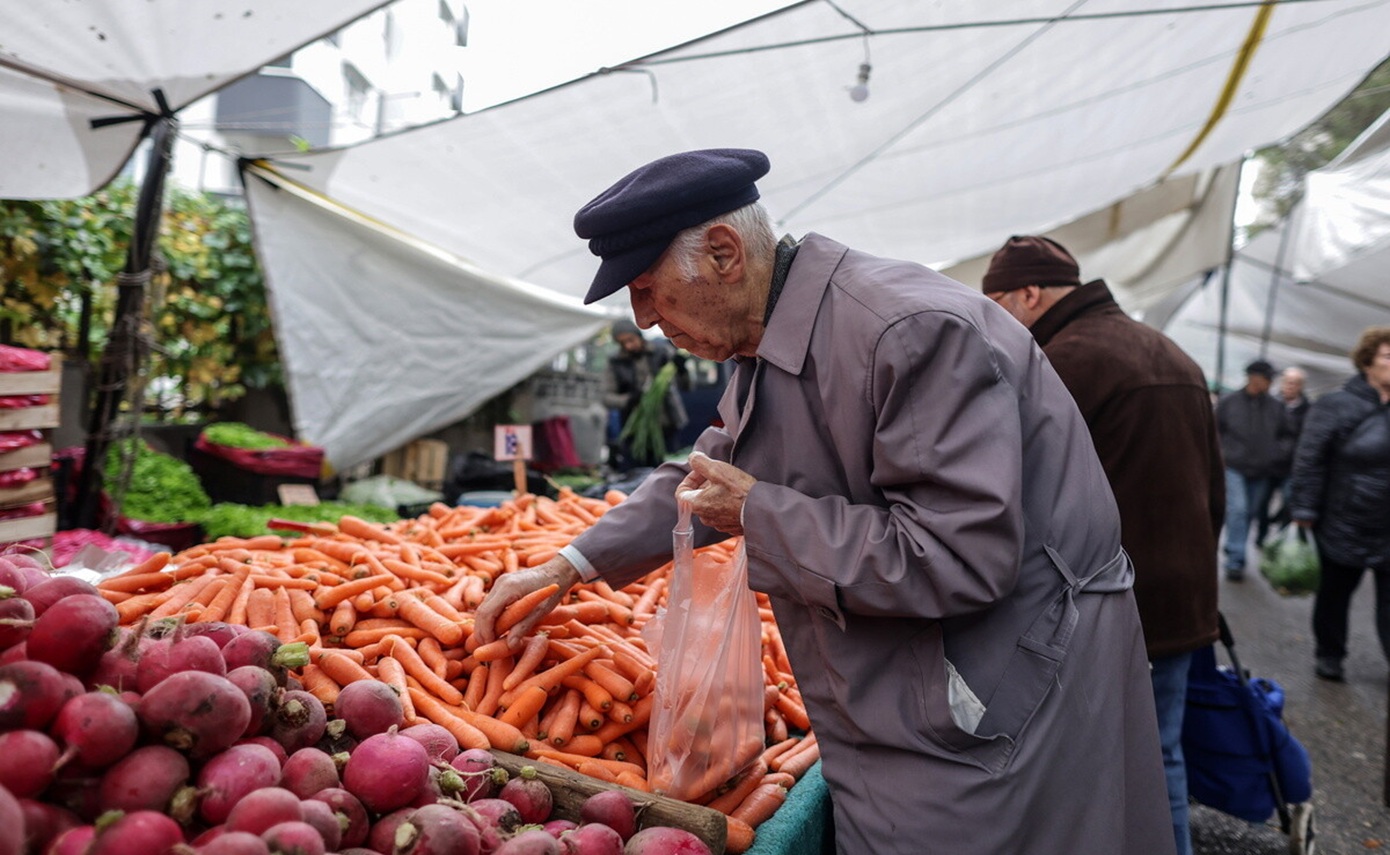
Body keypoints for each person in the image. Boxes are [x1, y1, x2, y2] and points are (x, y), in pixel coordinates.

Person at [474, 148, 1175, 854]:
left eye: (649, 288)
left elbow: (960, 555)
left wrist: (761, 512)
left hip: (994, 689)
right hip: (900, 687)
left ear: (723, 252)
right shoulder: (769, 339)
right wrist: (568, 564)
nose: (646, 320)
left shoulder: (910, 331)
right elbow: (711, 469)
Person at [981, 234, 1223, 855]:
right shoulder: (1172, 353)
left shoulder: (1061, 361)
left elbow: (1019, 495)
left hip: (1112, 606)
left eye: (998, 302)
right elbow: (1214, 493)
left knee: (1089, 769)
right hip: (1184, 599)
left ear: (1030, 293)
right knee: (1161, 752)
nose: (994, 319)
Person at [1290, 326, 1390, 682]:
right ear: (1367, 362)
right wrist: (1304, 511)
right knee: (1335, 595)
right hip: (1342, 519)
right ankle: (1330, 653)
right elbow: (1309, 459)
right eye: (1388, 356)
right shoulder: (1336, 404)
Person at [1215, 359, 1284, 580]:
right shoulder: (1229, 402)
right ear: (1255, 378)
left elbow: (1287, 434)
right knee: (1239, 510)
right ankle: (1236, 559)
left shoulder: (1276, 406)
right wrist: (1220, 455)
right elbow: (1213, 429)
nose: (1271, 383)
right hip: (1233, 466)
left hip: (1261, 470)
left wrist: (1276, 454)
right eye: (1268, 379)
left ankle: (1233, 545)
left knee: (1249, 513)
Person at [602, 318, 688, 471]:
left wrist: (682, 370)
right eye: (623, 343)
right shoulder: (615, 362)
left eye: (630, 340)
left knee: (668, 470)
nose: (628, 346)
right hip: (635, 428)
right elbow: (607, 397)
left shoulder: (661, 352)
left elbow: (686, 386)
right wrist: (629, 399)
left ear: (639, 335)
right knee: (636, 471)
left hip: (666, 424)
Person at [1268, 366, 1311, 536]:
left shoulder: (1308, 409)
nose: (1290, 386)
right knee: (1260, 504)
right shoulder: (1270, 404)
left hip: (1292, 466)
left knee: (1288, 500)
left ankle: (1281, 534)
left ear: (1300, 386)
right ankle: (1262, 534)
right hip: (1268, 464)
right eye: (1287, 382)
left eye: (1294, 383)